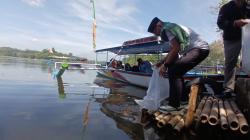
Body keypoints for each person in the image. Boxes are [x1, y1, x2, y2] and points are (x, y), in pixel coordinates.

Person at [147, 17, 209, 111]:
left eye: (156, 32)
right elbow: (173, 50)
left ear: (158, 25)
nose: (158, 34)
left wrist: (165, 65)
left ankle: (174, 105)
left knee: (174, 70)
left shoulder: (167, 29)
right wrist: (161, 62)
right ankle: (183, 100)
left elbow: (176, 49)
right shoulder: (170, 28)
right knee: (176, 70)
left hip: (200, 49)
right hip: (197, 49)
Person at [217, 0, 250, 98]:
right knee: (230, 62)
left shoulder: (248, 6)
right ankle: (228, 89)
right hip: (231, 38)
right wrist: (235, 23)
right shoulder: (225, 7)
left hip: (248, 37)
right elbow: (220, 23)